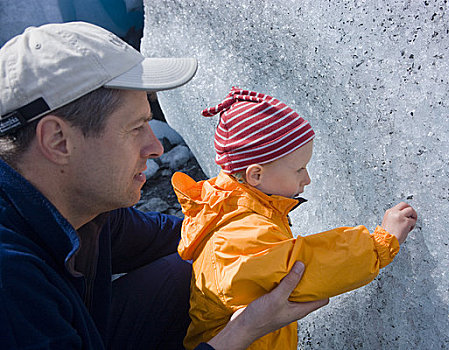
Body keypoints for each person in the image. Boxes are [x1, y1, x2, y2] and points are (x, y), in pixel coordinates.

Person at [0, 22, 327, 350]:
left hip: (84, 327)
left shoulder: (80, 206)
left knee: (216, 264)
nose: (155, 146)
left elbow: (184, 238)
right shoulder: (11, 279)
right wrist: (243, 331)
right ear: (58, 140)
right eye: (136, 127)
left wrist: (253, 231)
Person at [171, 87, 418, 349]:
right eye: (299, 169)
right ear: (256, 175)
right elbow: (311, 265)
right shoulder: (241, 236)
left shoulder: (231, 203)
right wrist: (381, 241)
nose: (307, 179)